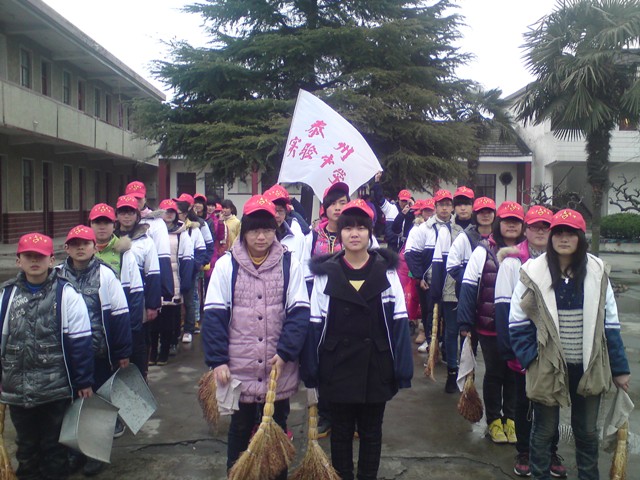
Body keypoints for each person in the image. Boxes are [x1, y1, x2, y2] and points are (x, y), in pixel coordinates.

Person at [509, 209, 630, 480]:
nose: (564, 238)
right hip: (547, 366)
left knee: (586, 432)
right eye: (559, 232)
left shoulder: (597, 272)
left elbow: (610, 324)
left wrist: (619, 368)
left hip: (588, 366)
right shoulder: (532, 271)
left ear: (580, 237)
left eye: (570, 233)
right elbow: (516, 322)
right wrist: (531, 359)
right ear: (552, 237)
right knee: (543, 430)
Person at [302, 199, 413, 480]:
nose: (354, 233)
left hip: (376, 364)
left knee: (372, 432)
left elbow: (399, 322)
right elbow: (315, 324)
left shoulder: (386, 272)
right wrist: (311, 369)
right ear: (339, 234)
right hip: (336, 365)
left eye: (361, 227)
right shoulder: (326, 273)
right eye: (348, 227)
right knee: (339, 434)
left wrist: (402, 367)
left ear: (370, 232)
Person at [202, 195, 310, 479]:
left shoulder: (290, 264)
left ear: (276, 229)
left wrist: (286, 351)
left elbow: (300, 313)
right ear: (244, 231)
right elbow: (213, 315)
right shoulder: (227, 266)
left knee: (277, 428)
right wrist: (218, 360)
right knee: (239, 429)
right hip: (239, 369)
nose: (261, 237)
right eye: (254, 230)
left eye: (267, 230)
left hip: (278, 368)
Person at [0, 233, 94, 480]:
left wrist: (83, 381)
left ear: (52, 260)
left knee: (54, 448)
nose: (34, 261)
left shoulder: (67, 295)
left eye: (40, 257)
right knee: (26, 448)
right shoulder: (6, 296)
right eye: (28, 256)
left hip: (55, 389)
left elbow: (80, 341)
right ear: (18, 260)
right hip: (17, 389)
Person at [495, 205, 567, 478]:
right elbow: (503, 307)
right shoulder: (513, 261)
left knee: (552, 399)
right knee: (523, 403)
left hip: (553, 348)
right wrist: (511, 349)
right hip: (521, 346)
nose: (540, 231)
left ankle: (550, 450)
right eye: (535, 226)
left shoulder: (562, 261)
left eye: (545, 227)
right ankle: (524, 450)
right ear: (526, 229)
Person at [58, 225, 133, 476]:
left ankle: (94, 453)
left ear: (94, 247)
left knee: (97, 405)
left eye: (86, 243)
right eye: (75, 243)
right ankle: (73, 452)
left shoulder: (106, 274)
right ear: (66, 247)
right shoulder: (56, 275)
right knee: (72, 406)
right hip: (67, 356)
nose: (81, 248)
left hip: (99, 353)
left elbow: (120, 313)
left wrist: (122, 352)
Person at [457, 201, 525, 444]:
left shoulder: (527, 253)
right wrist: (465, 322)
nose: (511, 225)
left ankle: (513, 419)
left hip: (520, 328)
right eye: (507, 221)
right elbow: (468, 286)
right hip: (489, 326)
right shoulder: (483, 250)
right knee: (496, 372)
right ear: (499, 223)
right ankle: (494, 420)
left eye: (516, 221)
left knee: (516, 375)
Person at [90, 203, 145, 380]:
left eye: (106, 222)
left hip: (120, 323)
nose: (102, 226)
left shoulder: (124, 253)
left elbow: (136, 294)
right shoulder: (82, 252)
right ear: (90, 225)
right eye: (97, 222)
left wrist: (131, 332)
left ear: (114, 225)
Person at [430, 186, 475, 387]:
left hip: (475, 289)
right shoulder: (447, 230)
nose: (463, 208)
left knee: (470, 333)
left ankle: (468, 375)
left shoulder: (481, 230)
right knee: (451, 331)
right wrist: (436, 290)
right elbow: (438, 261)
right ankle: (452, 372)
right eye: (460, 204)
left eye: (467, 204)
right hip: (451, 287)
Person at [114, 195, 162, 380]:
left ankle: (140, 382)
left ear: (137, 215)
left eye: (131, 212)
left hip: (137, 302)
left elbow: (153, 274)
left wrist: (151, 305)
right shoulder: (110, 239)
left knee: (138, 344)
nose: (127, 216)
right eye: (123, 212)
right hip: (115, 300)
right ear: (117, 215)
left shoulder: (146, 241)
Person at [404, 189, 453, 353]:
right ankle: (430, 340)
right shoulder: (423, 229)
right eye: (441, 205)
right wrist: (419, 276)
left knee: (448, 315)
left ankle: (445, 344)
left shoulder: (457, 229)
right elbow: (411, 254)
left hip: (450, 281)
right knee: (428, 312)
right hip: (428, 280)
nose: (444, 209)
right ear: (435, 207)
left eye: (447, 205)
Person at [149, 199, 195, 366]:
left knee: (168, 320)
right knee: (153, 319)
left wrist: (184, 284)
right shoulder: (151, 231)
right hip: (155, 279)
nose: (168, 214)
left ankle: (164, 352)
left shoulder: (182, 233)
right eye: (165, 211)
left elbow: (187, 258)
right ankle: (152, 352)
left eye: (171, 211)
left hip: (174, 280)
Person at [125, 181, 174, 302]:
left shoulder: (156, 222)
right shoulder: (120, 222)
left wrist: (164, 290)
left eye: (139, 198)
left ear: (145, 199)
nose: (136, 202)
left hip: (147, 280)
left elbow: (163, 256)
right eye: (132, 198)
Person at [175, 196, 209, 344]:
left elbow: (202, 250)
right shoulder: (166, 230)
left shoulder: (194, 228)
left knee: (189, 300)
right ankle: (175, 330)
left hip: (189, 270)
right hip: (172, 271)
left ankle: (188, 328)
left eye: (178, 212)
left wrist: (195, 266)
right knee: (173, 302)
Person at [371, 172, 414, 252]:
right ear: (398, 199)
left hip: (406, 246)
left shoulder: (411, 212)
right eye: (402, 200)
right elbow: (379, 198)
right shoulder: (390, 208)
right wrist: (377, 182)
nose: (404, 203)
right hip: (392, 246)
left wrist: (413, 207)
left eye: (406, 200)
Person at [264, 185, 307, 263]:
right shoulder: (255, 239)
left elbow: (304, 268)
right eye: (273, 210)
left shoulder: (298, 238)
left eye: (280, 211)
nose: (277, 216)